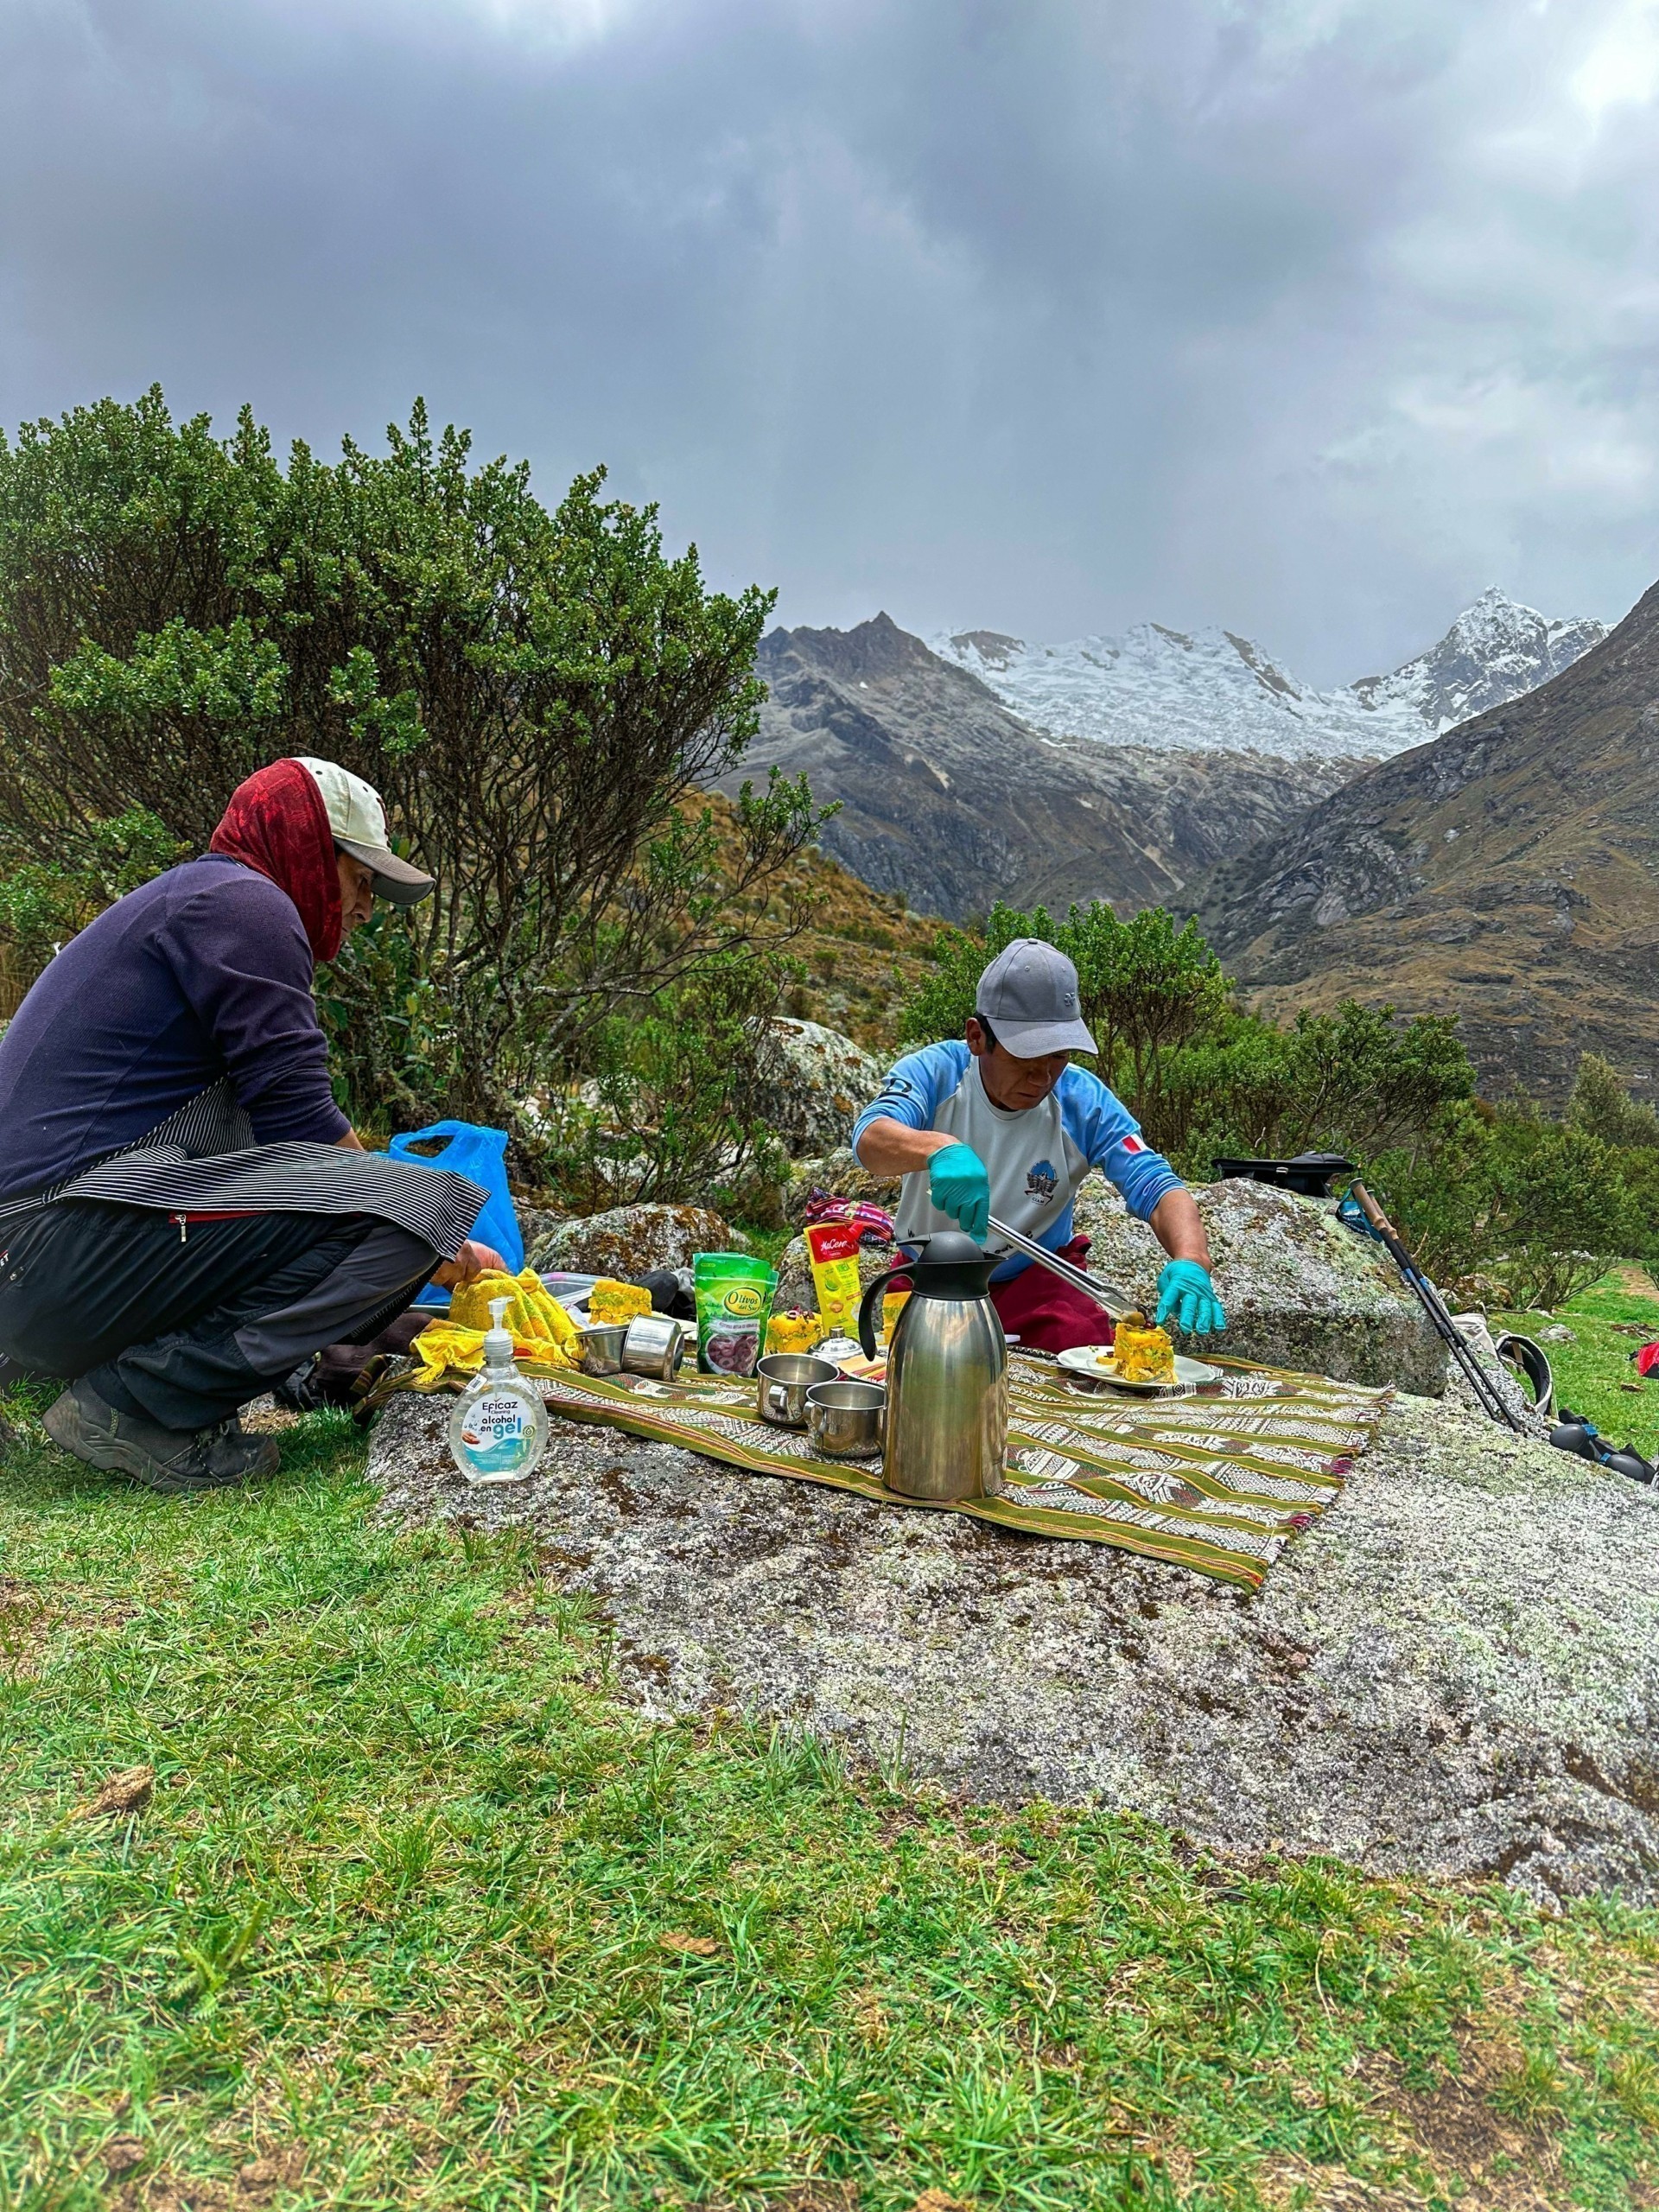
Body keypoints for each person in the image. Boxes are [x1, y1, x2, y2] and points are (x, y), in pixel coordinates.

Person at [0, 755, 505, 1493]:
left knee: (363, 1196)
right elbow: (305, 1128)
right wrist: (444, 1247)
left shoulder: (196, 899)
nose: (365, 907)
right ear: (305, 845)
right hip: (47, 1246)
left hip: (40, 1259)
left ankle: (145, 1383)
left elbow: (270, 1162)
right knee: (420, 1205)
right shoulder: (244, 904)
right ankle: (131, 1409)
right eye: (361, 879)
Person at [851, 938, 1224, 1354]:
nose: (1042, 1077)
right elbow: (871, 1137)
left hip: (1039, 1280)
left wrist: (1191, 1257)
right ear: (977, 1037)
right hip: (930, 1276)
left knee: (1085, 1359)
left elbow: (1155, 1184)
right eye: (1025, 1057)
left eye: (1058, 1055)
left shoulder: (1083, 1101)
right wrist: (939, 1149)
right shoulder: (937, 1073)